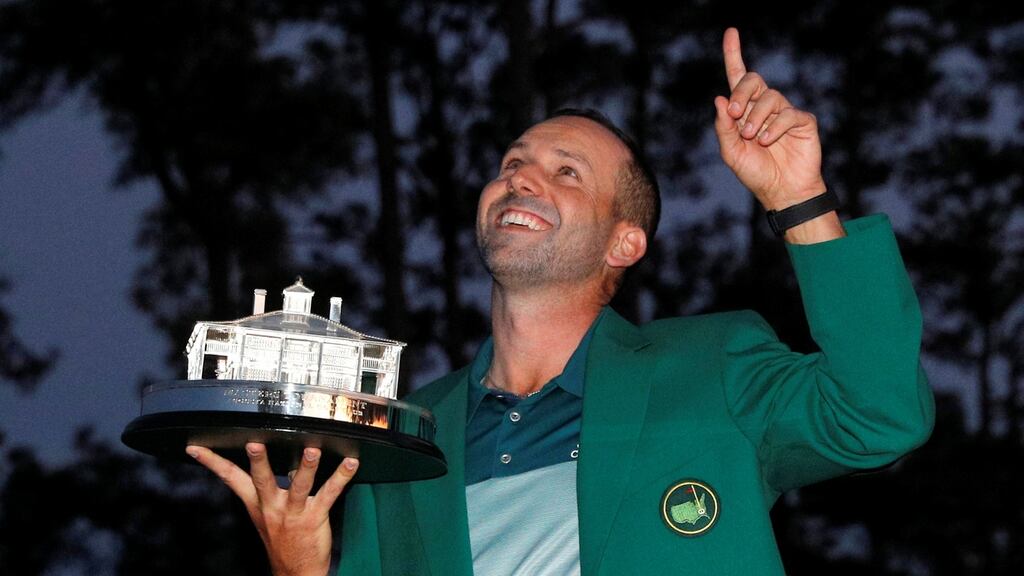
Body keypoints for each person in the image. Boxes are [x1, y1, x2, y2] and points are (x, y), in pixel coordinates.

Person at [187, 27, 934, 576]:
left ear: (624, 244)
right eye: (513, 164)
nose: (522, 178)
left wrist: (799, 198)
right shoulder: (406, 438)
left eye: (567, 172)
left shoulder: (713, 367)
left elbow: (880, 414)